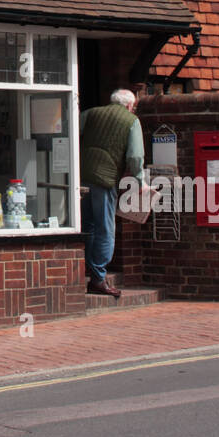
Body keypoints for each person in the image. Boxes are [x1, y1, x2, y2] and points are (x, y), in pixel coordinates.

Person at [79, 88, 144, 298]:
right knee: (105, 227)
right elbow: (135, 156)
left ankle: (85, 269)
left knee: (86, 225)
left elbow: (72, 134)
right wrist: (140, 179)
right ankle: (98, 278)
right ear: (129, 105)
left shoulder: (90, 113)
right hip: (105, 180)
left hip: (81, 175)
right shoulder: (131, 120)